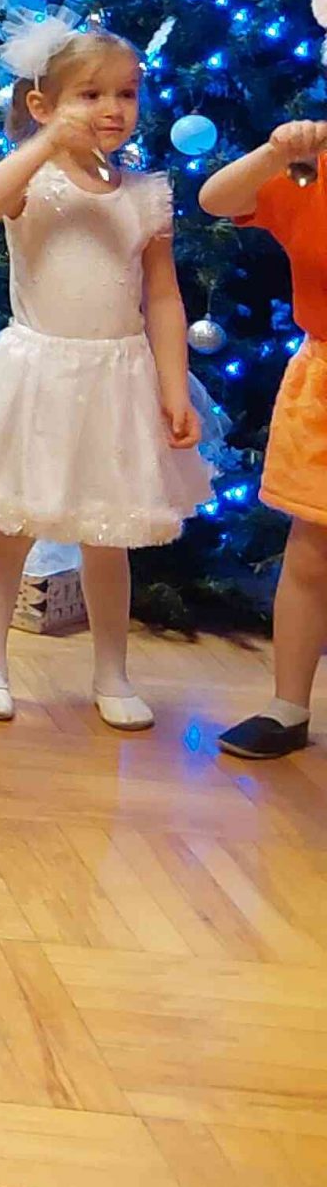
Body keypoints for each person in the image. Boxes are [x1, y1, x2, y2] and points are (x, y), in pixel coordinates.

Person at [0, 20, 206, 730]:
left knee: (108, 533)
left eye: (127, 94)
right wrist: (44, 143)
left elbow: (163, 298)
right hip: (39, 376)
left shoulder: (146, 193)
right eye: (91, 94)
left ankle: (112, 671)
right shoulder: (32, 181)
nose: (112, 109)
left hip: (119, 380)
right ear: (43, 104)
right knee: (13, 522)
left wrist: (174, 389)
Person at [202, 117, 327, 758]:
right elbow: (217, 198)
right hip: (324, 384)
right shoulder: (312, 172)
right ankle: (288, 709)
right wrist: (277, 151)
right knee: (310, 553)